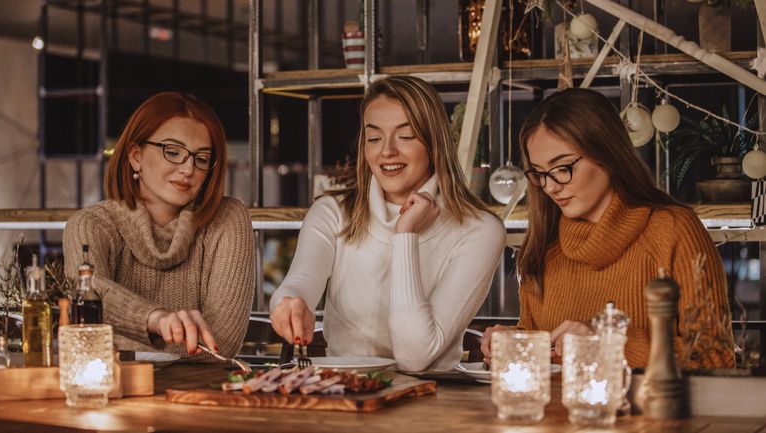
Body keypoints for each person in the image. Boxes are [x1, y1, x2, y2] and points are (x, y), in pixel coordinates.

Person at [481, 88, 735, 369]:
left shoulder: (672, 230)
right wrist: (516, 341)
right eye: (539, 173)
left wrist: (609, 342)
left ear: (607, 155)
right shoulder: (543, 244)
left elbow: (716, 355)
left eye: (562, 167)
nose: (550, 186)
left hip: (645, 411)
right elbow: (548, 350)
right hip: (553, 411)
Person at [269, 76, 506, 371]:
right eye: (374, 137)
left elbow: (415, 356)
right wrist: (288, 303)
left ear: (434, 143)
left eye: (405, 136)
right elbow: (297, 285)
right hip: (343, 393)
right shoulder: (332, 212)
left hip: (436, 403)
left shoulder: (479, 230)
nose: (387, 151)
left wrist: (405, 235)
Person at [63, 92, 254, 360]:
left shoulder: (227, 219)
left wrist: (124, 341)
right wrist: (155, 319)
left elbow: (220, 342)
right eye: (173, 152)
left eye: (201, 158)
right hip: (114, 388)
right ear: (136, 156)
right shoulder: (90, 225)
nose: (188, 169)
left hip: (200, 393)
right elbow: (88, 296)